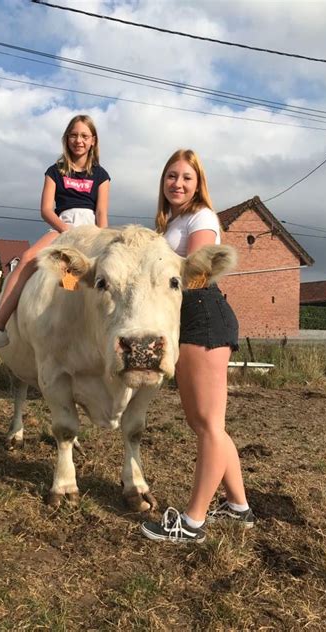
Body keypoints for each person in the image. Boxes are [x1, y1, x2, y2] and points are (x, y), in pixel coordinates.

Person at [141, 149, 254, 544]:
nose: (178, 184)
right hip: (186, 322)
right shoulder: (173, 220)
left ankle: (193, 521)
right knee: (205, 424)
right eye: (171, 176)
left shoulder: (202, 217)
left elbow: (197, 272)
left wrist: (150, 252)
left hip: (204, 316)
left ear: (198, 182)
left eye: (186, 178)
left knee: (208, 425)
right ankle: (239, 507)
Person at [0, 114, 110, 357]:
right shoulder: (55, 171)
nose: (79, 140)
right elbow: (46, 209)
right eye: (74, 135)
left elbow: (101, 212)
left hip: (90, 230)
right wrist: (66, 230)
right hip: (62, 225)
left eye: (84, 136)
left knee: (106, 272)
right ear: (66, 139)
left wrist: (104, 240)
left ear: (93, 141)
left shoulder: (101, 175)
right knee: (27, 258)